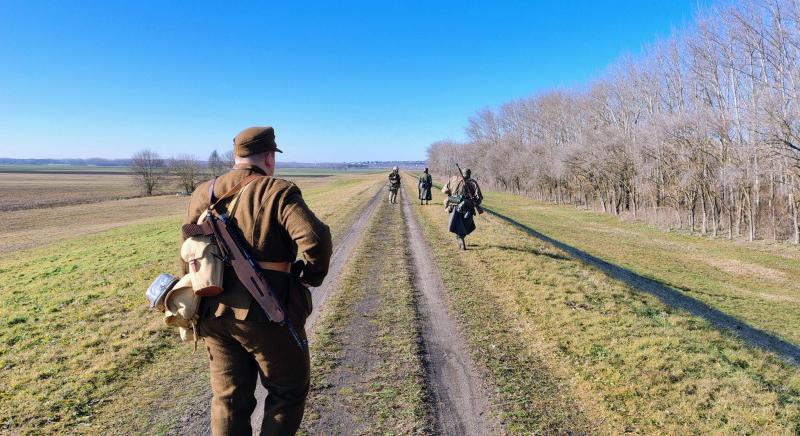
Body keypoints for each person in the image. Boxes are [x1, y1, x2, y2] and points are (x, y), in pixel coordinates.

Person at [181, 126, 332, 435]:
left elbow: (188, 254)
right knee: (288, 389)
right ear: (268, 157)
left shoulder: (203, 192)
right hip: (266, 312)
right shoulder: (276, 190)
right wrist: (310, 277)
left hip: (211, 310)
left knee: (229, 400)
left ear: (237, 157)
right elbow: (315, 240)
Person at [442, 168, 483, 250]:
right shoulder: (473, 182)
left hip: (454, 204)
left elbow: (444, 190)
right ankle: (461, 238)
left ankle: (460, 239)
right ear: (469, 174)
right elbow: (479, 197)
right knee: (465, 225)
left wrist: (452, 193)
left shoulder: (453, 179)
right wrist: (474, 202)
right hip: (467, 207)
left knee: (456, 225)